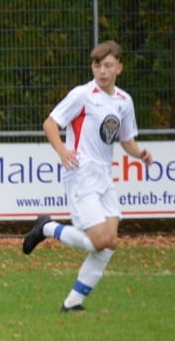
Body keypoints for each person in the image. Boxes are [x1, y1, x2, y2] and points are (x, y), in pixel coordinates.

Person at [21, 40, 153, 311]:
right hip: (81, 174)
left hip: (104, 176)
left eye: (108, 65)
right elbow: (50, 123)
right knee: (99, 240)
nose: (102, 71)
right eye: (97, 65)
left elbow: (126, 139)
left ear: (119, 68)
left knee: (110, 242)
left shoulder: (124, 101)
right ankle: (46, 228)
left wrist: (139, 153)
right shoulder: (82, 95)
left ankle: (73, 303)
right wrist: (62, 151)